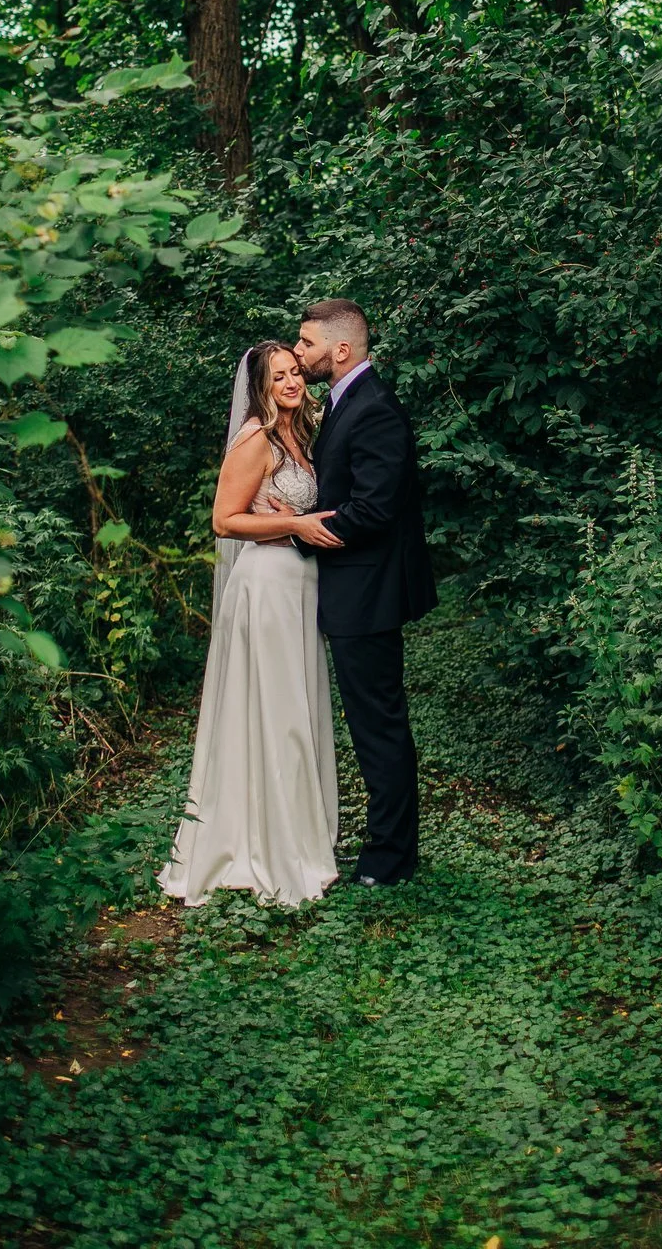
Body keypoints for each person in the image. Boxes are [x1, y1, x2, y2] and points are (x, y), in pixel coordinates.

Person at [158, 341, 344, 907]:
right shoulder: (255, 438)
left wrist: (301, 523)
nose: (291, 383)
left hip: (299, 586)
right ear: (260, 385)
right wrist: (295, 526)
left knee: (298, 707)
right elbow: (224, 520)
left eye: (295, 373)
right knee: (274, 711)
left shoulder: (301, 435)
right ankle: (266, 844)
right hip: (265, 586)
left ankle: (302, 835)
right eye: (279, 376)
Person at [293, 298, 436, 885]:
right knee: (371, 722)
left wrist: (300, 531)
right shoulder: (342, 400)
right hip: (351, 588)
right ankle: (387, 846)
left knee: (378, 725)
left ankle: (390, 858)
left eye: (307, 343)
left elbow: (373, 509)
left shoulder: (374, 408)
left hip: (368, 592)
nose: (298, 352)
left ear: (342, 349)